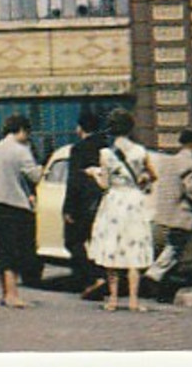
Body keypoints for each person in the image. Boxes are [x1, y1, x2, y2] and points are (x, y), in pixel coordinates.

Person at [87, 108, 156, 312]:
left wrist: (94, 174)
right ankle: (134, 300)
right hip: (134, 201)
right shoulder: (140, 152)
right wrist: (141, 180)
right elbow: (152, 175)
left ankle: (114, 299)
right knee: (134, 249)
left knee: (112, 249)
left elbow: (105, 184)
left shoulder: (106, 154)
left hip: (115, 202)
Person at [144, 129, 192, 299]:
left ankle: (154, 274)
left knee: (175, 245)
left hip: (172, 213)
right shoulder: (191, 164)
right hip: (189, 212)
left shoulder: (170, 162)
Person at [0, 114, 43, 308]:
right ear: (22, 130)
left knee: (1, 252)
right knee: (15, 252)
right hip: (16, 206)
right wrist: (42, 168)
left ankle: (5, 293)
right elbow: (34, 176)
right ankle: (13, 295)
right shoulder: (21, 150)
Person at [64, 110, 110, 299]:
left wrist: (68, 208)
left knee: (73, 241)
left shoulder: (78, 149)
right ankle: (104, 276)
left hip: (83, 203)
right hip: (105, 200)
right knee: (98, 242)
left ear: (81, 128)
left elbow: (73, 181)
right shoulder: (106, 148)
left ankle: (93, 278)